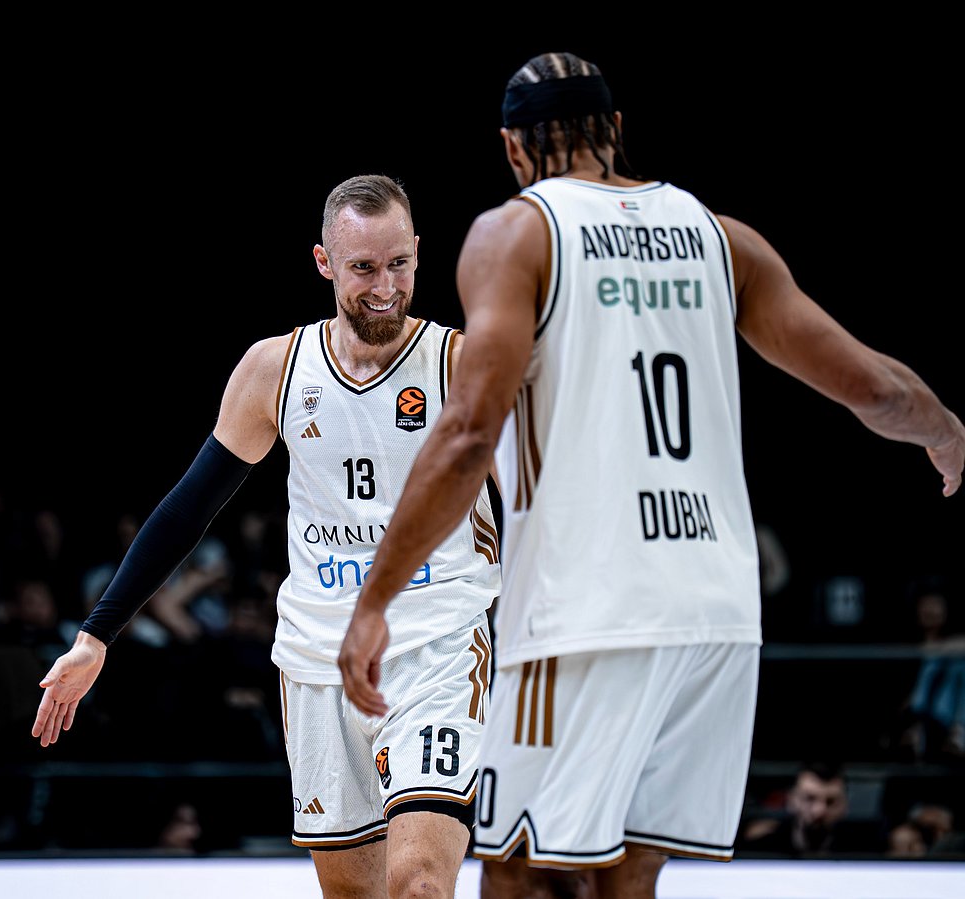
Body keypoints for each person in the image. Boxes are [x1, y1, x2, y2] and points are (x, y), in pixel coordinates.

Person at [337, 50, 965, 898]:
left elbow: (465, 435)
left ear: (513, 149)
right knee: (629, 880)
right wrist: (946, 429)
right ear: (618, 132)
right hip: (717, 616)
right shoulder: (720, 237)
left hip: (589, 610)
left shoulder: (517, 231)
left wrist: (375, 600)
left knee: (524, 873)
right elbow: (872, 387)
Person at [32, 174, 501, 898]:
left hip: (438, 642)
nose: (385, 286)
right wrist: (97, 635)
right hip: (318, 657)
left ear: (417, 253)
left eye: (399, 264)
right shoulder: (276, 370)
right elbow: (190, 507)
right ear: (324, 263)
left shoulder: (460, 364)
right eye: (363, 268)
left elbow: (542, 500)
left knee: (419, 884)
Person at [738, 762, 885, 857]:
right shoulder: (760, 852)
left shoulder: (864, 854)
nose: (819, 810)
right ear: (791, 800)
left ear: (845, 806)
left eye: (831, 802)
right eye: (809, 799)